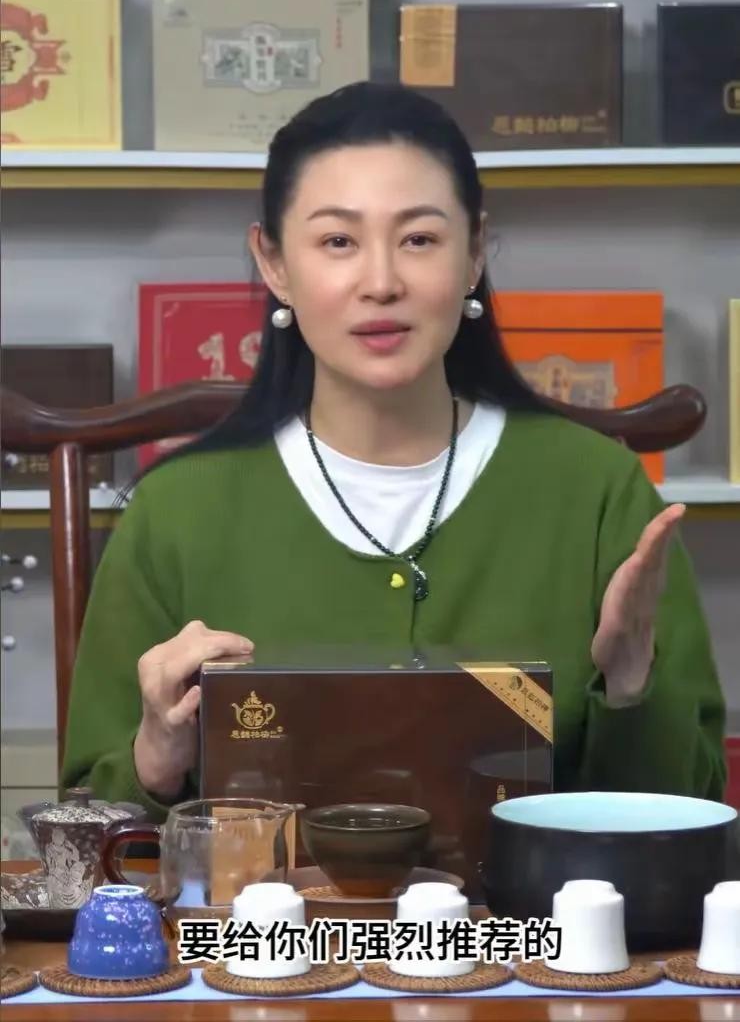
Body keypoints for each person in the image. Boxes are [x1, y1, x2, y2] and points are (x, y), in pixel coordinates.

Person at [61, 82, 727, 819]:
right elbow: (85, 824)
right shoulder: (177, 512)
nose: (380, 283)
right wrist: (156, 756)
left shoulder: (598, 492)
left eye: (419, 240)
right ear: (274, 263)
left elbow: (691, 815)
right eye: (337, 242)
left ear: (473, 253)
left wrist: (630, 685)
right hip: (261, 901)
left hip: (534, 902)